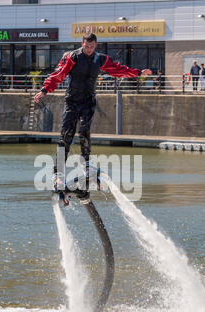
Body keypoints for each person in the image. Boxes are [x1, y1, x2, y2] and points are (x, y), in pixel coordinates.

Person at [34, 33, 150, 197]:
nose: (89, 49)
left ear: (96, 45)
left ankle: (86, 164)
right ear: (82, 43)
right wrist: (44, 90)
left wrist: (137, 73)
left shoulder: (100, 59)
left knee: (84, 132)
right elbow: (58, 74)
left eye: (92, 46)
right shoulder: (72, 57)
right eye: (86, 46)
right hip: (72, 101)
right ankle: (58, 173)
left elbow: (117, 70)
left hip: (88, 101)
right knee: (65, 136)